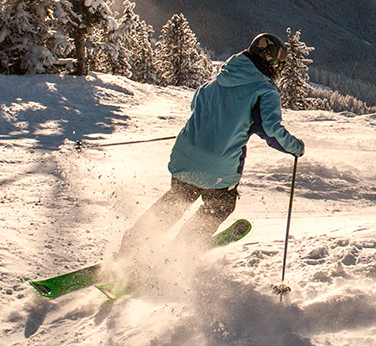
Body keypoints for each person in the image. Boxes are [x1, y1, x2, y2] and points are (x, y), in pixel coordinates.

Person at [117, 33, 306, 257]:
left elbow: (195, 104)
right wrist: (296, 147)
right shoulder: (264, 90)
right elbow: (271, 129)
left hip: (184, 155)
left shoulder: (218, 79)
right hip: (217, 168)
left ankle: (132, 246)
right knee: (221, 205)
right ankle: (180, 252)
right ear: (273, 63)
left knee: (177, 200)